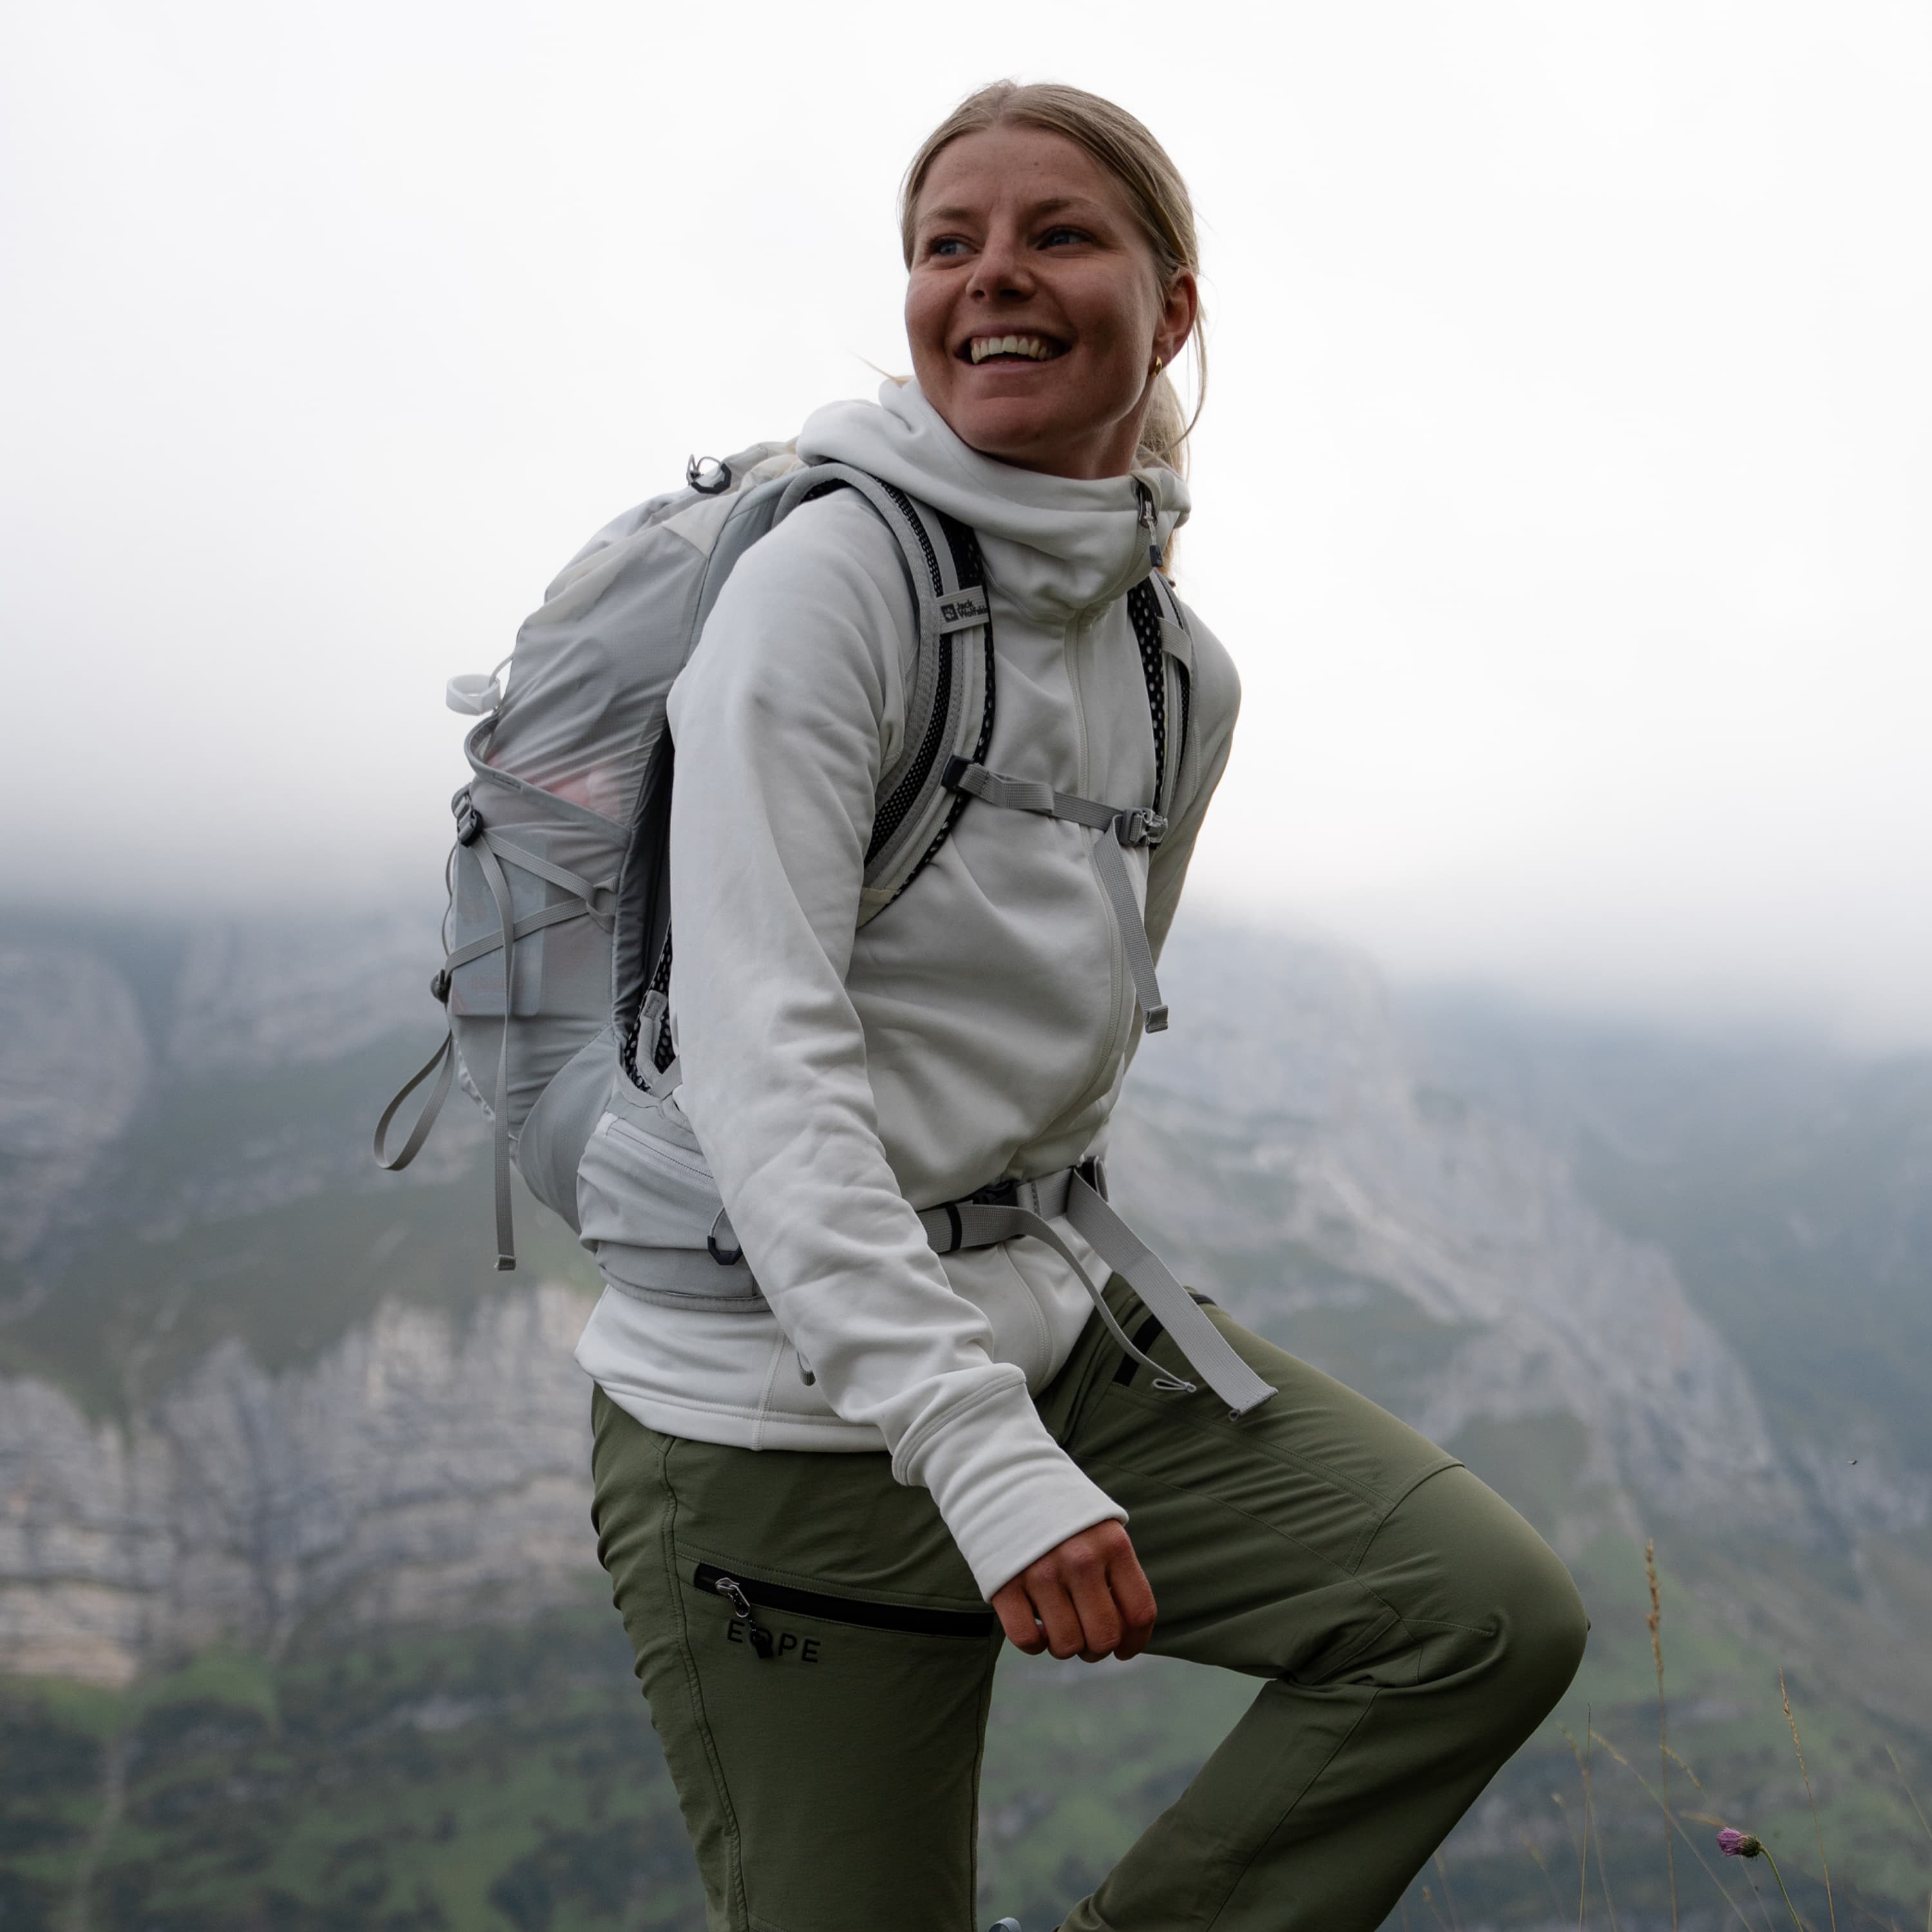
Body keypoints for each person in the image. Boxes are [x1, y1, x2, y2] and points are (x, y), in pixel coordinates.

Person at [579, 79, 1587, 1932]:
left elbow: (1067, 1060)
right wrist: (976, 1451)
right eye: (946, 245)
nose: (991, 281)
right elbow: (761, 1062)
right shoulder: (828, 589)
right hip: (773, 1428)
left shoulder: (1173, 666)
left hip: (1046, 1346)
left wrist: (1038, 1381)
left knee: (1473, 1616)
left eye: (1057, 235)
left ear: (1172, 304)